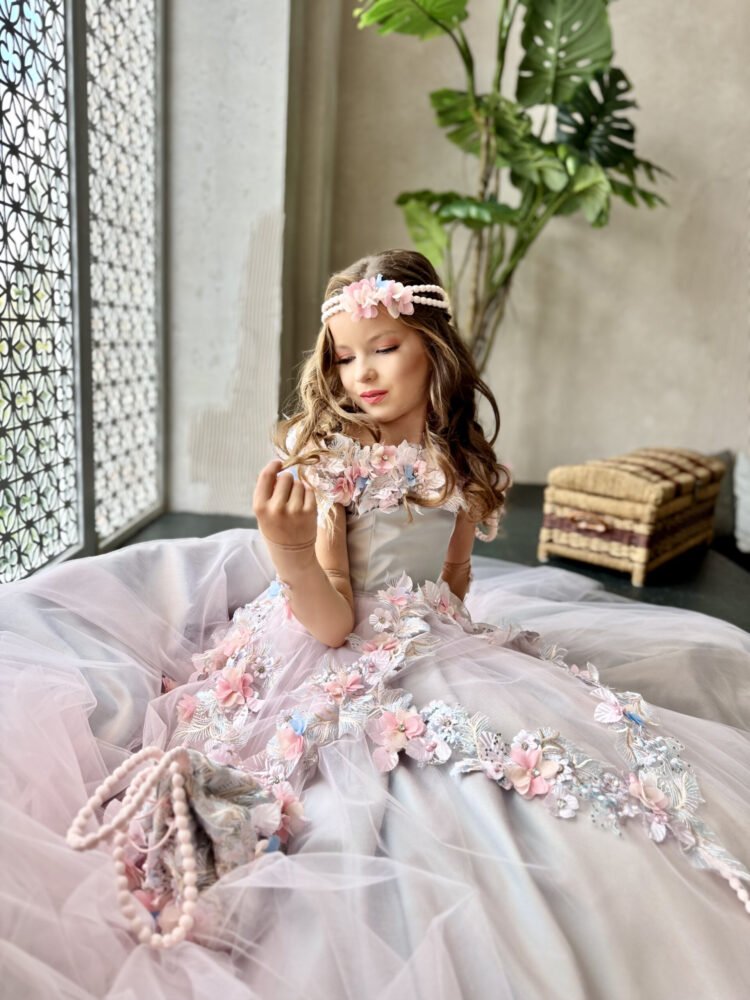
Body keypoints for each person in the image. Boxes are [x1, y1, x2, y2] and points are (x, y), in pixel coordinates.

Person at [2, 249, 749, 999]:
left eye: (385, 348)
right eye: (345, 358)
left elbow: (455, 577)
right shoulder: (336, 467)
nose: (362, 374)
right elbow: (330, 625)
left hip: (424, 633)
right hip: (326, 627)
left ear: (435, 348)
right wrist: (290, 554)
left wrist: (446, 628)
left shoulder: (461, 466)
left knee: (541, 768)